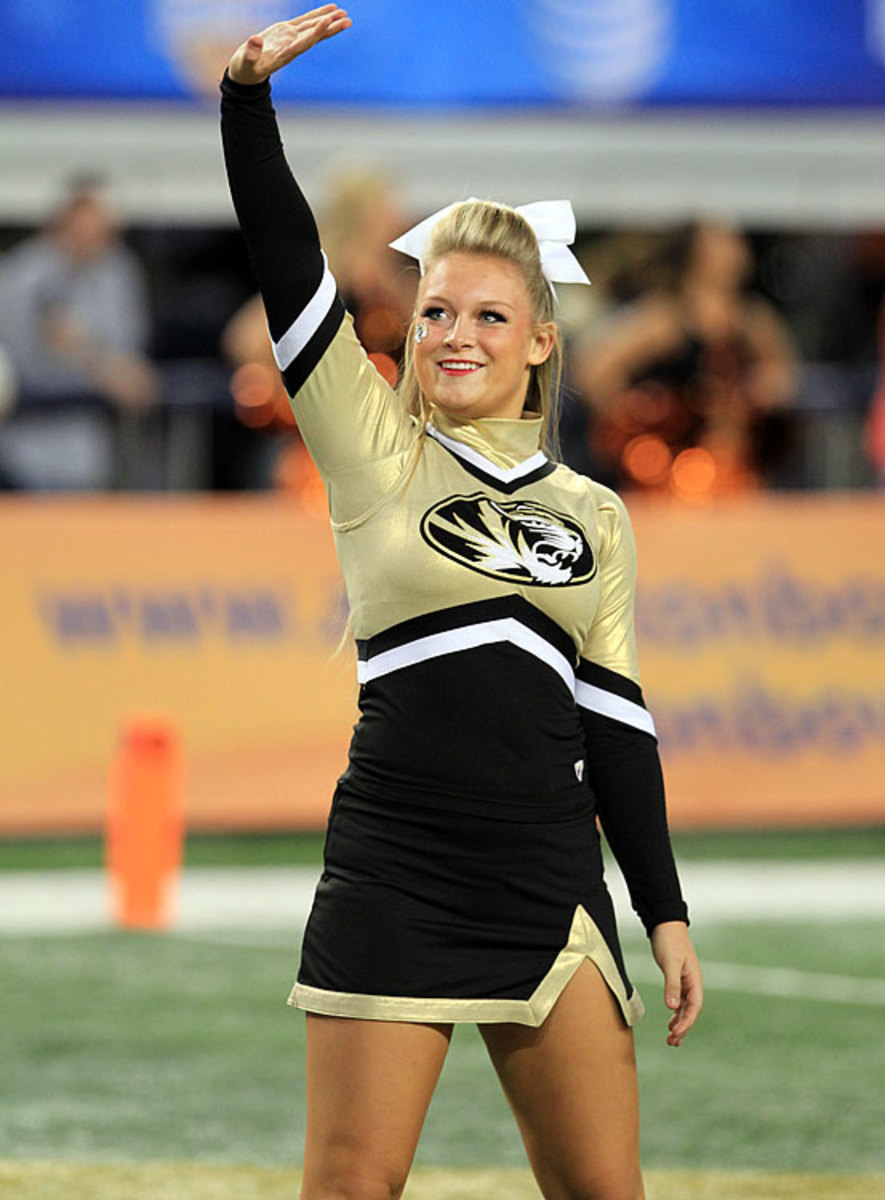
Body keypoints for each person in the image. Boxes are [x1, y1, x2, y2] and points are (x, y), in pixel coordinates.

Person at [221, 9, 702, 1199]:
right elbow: (291, 271)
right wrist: (246, 103)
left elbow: (618, 723)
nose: (456, 334)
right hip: (398, 871)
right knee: (351, 1186)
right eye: (437, 310)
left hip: (550, 880)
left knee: (605, 1188)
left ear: (541, 342)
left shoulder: (594, 513)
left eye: (490, 315)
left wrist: (666, 910)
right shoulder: (375, 446)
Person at [573, 221, 797, 495]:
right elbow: (595, 369)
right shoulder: (665, 317)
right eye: (725, 241)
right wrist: (636, 424)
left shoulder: (751, 319)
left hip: (733, 471)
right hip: (666, 476)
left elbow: (783, 375)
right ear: (696, 252)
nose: (737, 249)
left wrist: (760, 393)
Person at [0, 174, 159, 489]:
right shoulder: (21, 276)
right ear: (64, 220)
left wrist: (89, 353)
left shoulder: (118, 272)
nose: (95, 236)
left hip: (92, 444)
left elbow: (136, 378)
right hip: (23, 443)